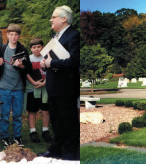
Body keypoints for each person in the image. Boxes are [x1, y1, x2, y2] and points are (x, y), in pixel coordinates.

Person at [37, 6, 81, 160]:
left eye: (53, 17)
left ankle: (70, 153)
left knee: (69, 121)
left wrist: (52, 63)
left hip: (66, 88)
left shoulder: (74, 35)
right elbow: (53, 59)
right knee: (56, 121)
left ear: (64, 19)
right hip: (54, 87)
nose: (51, 19)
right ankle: (55, 150)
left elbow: (74, 61)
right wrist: (45, 63)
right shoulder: (57, 37)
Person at [0, 24, 32, 147]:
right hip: (4, 88)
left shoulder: (22, 50)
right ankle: (4, 137)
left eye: (16, 34)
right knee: (4, 115)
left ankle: (17, 137)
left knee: (18, 115)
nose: (13, 37)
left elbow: (28, 68)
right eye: (11, 34)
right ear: (7, 35)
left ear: (19, 36)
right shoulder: (1, 49)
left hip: (18, 88)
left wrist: (21, 66)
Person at [25, 38, 52, 143]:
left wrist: (44, 83)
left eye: (39, 47)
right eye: (34, 47)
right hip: (32, 88)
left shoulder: (47, 57)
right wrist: (34, 82)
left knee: (46, 110)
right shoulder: (28, 59)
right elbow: (26, 73)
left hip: (45, 88)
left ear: (42, 47)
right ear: (31, 48)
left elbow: (50, 72)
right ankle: (33, 131)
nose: (36, 49)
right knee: (32, 110)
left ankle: (45, 130)